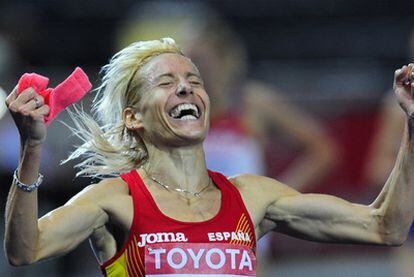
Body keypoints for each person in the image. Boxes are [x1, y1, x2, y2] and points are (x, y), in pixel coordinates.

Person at [4, 38, 414, 276]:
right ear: (133, 117)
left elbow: (385, 228)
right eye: (166, 82)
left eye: (193, 81)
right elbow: (25, 250)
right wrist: (32, 148)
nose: (186, 88)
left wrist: (412, 126)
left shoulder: (253, 197)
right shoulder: (114, 200)